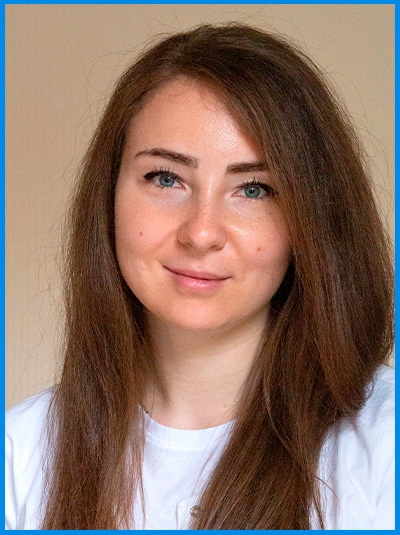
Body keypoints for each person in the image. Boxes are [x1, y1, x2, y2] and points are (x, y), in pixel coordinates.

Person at [5, 23, 394, 530]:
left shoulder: (385, 447)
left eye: (253, 189)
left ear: (313, 217)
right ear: (109, 195)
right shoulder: (19, 453)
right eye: (166, 178)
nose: (202, 232)